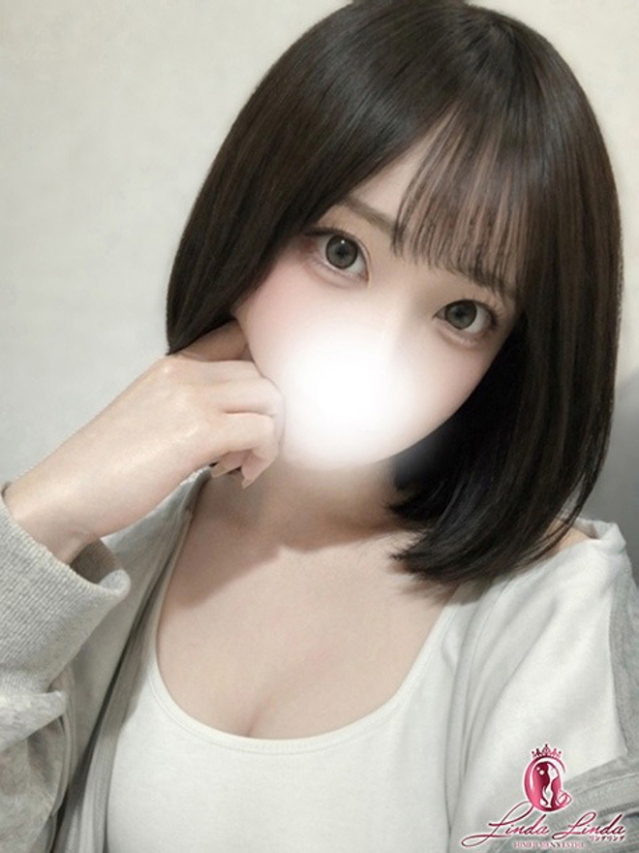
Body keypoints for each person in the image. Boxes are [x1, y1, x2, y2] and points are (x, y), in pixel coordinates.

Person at [1, 0, 638, 851]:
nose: (377, 347)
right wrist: (41, 519)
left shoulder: (549, 612)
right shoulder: (111, 569)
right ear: (253, 218)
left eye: (460, 312)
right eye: (343, 252)